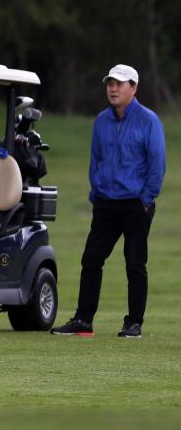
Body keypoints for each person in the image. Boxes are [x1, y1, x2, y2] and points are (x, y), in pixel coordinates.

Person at [52, 64, 166, 338]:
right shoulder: (101, 120)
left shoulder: (149, 120)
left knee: (134, 262)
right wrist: (96, 192)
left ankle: (133, 323)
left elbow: (157, 163)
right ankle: (83, 320)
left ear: (134, 88)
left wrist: (147, 198)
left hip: (136, 203)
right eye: (110, 83)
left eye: (119, 83)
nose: (113, 88)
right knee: (91, 259)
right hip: (106, 202)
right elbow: (96, 160)